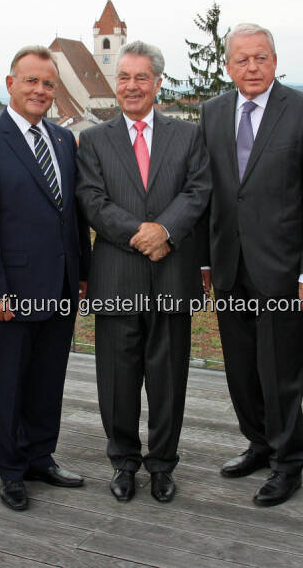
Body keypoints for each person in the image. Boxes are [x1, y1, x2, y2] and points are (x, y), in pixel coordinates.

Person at [0, 45, 90, 511]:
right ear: (10, 83)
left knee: (49, 379)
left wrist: (82, 275)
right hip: (10, 293)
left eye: (48, 83)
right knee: (10, 382)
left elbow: (71, 215)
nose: (39, 90)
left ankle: (40, 457)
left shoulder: (60, 140)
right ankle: (10, 470)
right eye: (30, 80)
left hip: (60, 286)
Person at [198, 22, 303, 506]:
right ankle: (258, 442)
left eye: (261, 58)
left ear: (275, 60)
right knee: (240, 368)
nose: (252, 67)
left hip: (284, 269)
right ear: (228, 65)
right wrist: (204, 264)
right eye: (242, 59)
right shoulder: (211, 112)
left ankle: (287, 461)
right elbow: (206, 193)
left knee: (280, 372)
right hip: (229, 266)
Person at [76, 41, 211, 503]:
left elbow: (197, 192)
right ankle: (124, 462)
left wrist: (167, 232)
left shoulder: (188, 136)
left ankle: (162, 465)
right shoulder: (93, 140)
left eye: (141, 78)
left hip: (172, 275)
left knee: (169, 377)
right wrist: (143, 234)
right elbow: (92, 201)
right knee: (116, 379)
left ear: (157, 83)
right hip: (117, 276)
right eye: (124, 78)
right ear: (117, 86)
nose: (132, 87)